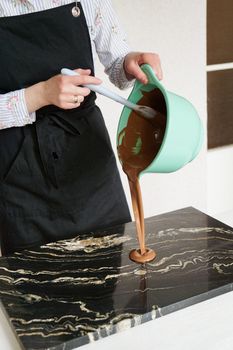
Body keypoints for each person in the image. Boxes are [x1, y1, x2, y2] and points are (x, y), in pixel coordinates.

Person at [0, 0, 162, 256]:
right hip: (19, 174)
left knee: (112, 277)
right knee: (33, 288)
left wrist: (132, 63)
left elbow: (119, 62)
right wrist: (39, 94)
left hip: (91, 162)